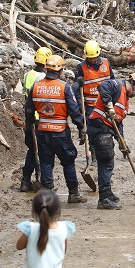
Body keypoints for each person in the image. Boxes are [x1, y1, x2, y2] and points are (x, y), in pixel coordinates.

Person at [26, 55, 87, 202]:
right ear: (60, 70)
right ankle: (73, 194)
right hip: (59, 132)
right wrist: (81, 128)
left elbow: (28, 110)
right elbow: (74, 110)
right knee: (68, 161)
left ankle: (48, 195)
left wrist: (31, 122)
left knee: (46, 162)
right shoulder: (64, 87)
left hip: (42, 131)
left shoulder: (36, 86)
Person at [87, 73, 135, 209]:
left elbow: (118, 122)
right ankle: (103, 199)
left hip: (106, 128)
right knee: (106, 160)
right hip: (98, 127)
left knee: (108, 162)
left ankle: (107, 193)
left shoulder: (125, 101)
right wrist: (108, 106)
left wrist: (122, 141)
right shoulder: (116, 85)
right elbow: (103, 86)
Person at [17, 188, 76, 268]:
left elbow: (19, 246)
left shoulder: (30, 229)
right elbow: (63, 251)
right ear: (57, 210)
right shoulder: (64, 228)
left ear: (34, 210)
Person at [20, 46, 53, 192]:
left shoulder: (27, 75)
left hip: (29, 119)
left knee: (32, 151)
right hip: (40, 120)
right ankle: (41, 181)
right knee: (43, 152)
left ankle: (25, 181)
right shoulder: (43, 79)